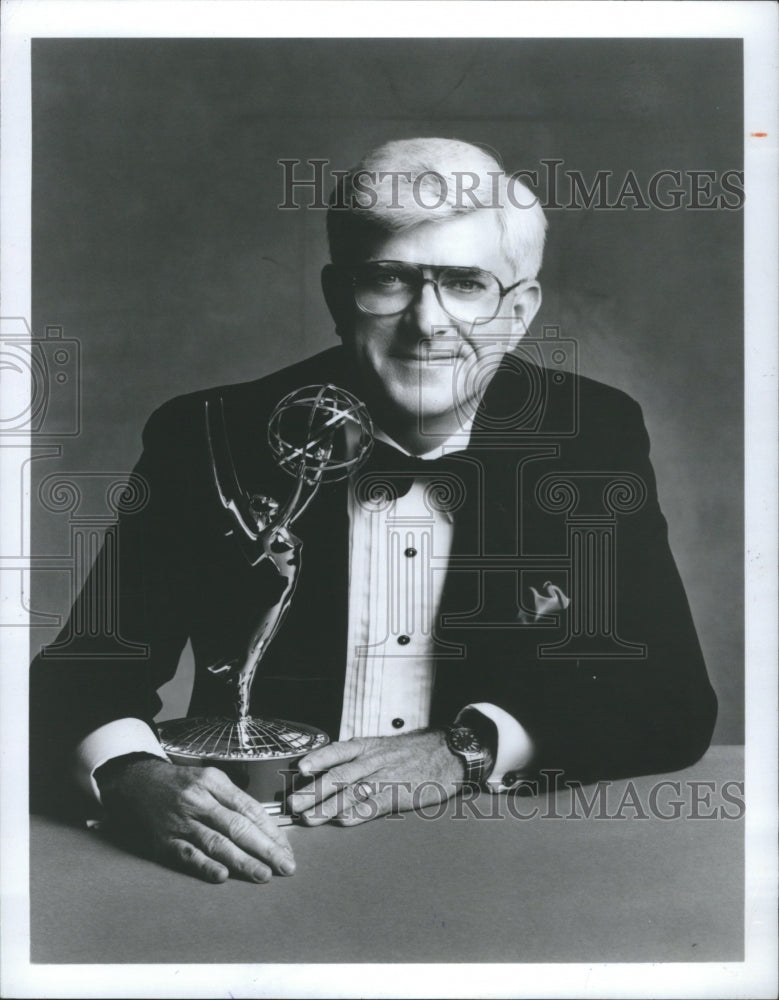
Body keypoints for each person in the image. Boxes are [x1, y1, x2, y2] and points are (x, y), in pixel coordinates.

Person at [30, 137, 717, 884]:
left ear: (518, 310)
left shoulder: (591, 435)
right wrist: (131, 775)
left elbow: (669, 699)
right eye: (388, 280)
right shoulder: (208, 433)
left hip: (499, 861)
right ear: (335, 298)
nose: (426, 323)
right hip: (259, 860)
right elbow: (79, 676)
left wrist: (463, 749)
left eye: (464, 283)